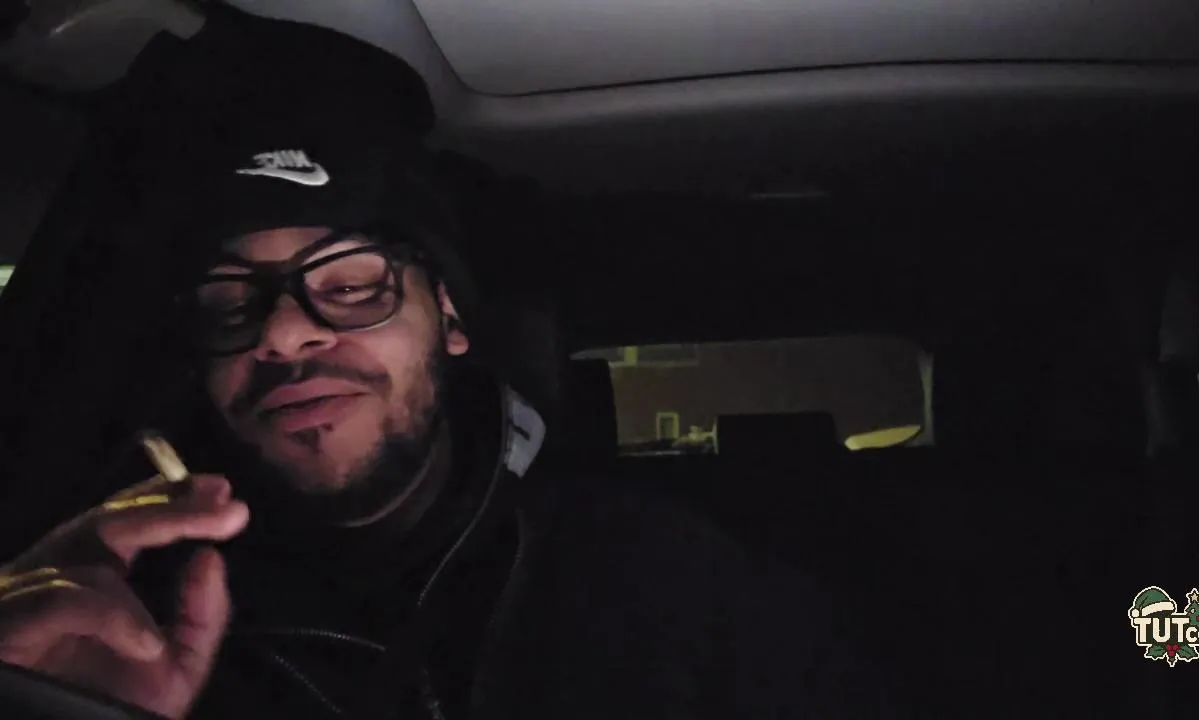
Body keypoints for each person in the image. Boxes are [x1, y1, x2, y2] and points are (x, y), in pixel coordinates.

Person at [0, 7, 869, 719]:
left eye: (351, 286)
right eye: (231, 302)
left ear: (450, 318)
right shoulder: (124, 614)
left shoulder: (671, 587)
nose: (283, 335)